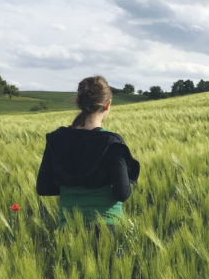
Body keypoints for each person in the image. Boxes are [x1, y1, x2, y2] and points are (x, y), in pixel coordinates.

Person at [37, 75, 140, 229]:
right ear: (107, 105)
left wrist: (75, 188)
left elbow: (43, 187)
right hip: (107, 228)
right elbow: (122, 194)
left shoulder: (56, 139)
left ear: (79, 103)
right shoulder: (112, 143)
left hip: (69, 228)